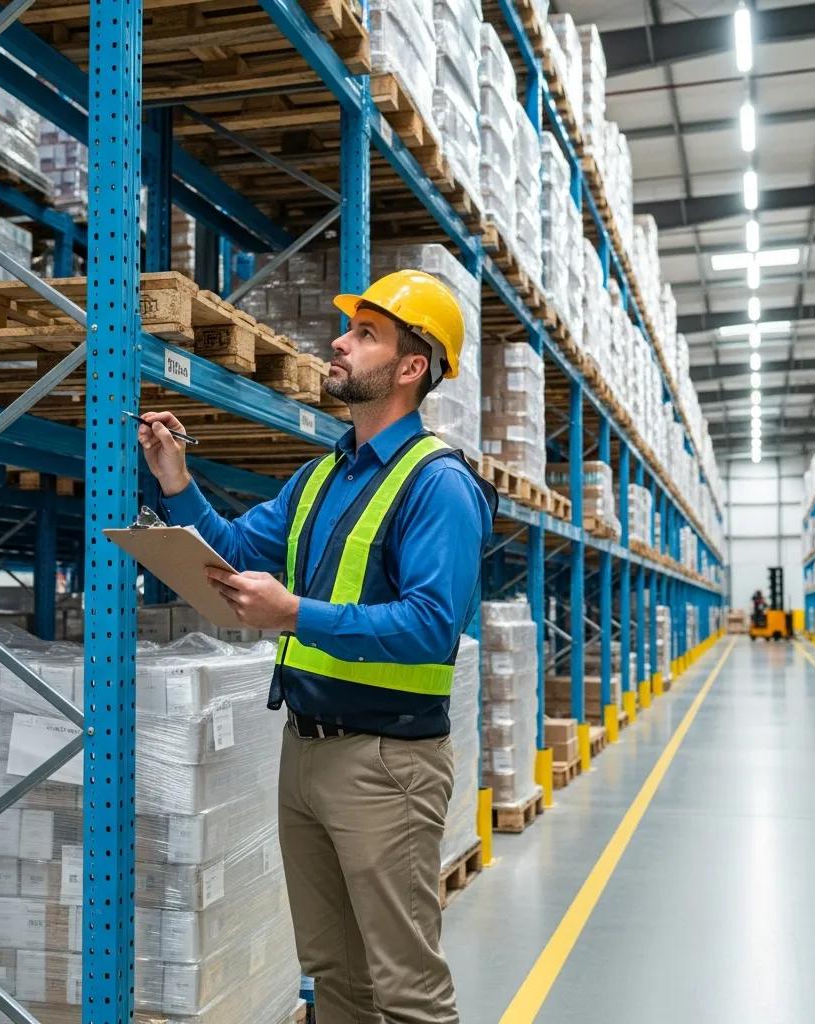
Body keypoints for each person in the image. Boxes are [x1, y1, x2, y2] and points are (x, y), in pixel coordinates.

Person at [138, 269, 497, 1024]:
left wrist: (295, 613)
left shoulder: (438, 485)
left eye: (366, 333)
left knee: (406, 990)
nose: (339, 340)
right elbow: (235, 550)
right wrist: (176, 482)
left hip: (386, 763)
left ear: (410, 367)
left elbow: (433, 625)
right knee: (334, 976)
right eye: (349, 328)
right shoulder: (320, 477)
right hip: (304, 750)